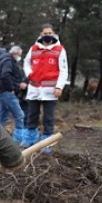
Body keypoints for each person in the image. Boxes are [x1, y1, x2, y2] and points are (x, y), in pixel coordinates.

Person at [22, 23, 68, 152]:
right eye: (45, 33)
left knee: (48, 118)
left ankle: (46, 144)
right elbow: (26, 63)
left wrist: (59, 86)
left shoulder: (59, 49)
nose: (47, 35)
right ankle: (29, 141)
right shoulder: (34, 48)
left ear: (53, 33)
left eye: (49, 33)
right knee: (32, 116)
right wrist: (29, 74)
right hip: (34, 89)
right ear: (40, 34)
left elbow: (63, 70)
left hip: (50, 90)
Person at [0, 46, 26, 145]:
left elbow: (10, 76)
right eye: (19, 55)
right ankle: (18, 140)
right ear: (15, 54)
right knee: (19, 115)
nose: (19, 57)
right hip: (7, 92)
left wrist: (17, 85)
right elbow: (5, 75)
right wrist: (11, 88)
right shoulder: (8, 61)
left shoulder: (5, 60)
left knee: (3, 116)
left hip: (2, 92)